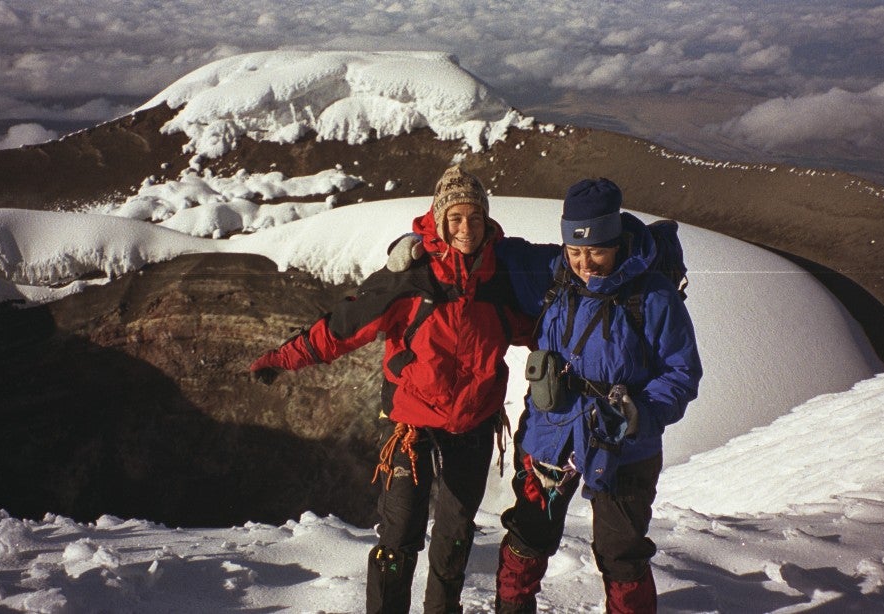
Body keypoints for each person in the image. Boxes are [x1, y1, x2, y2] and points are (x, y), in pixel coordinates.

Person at [249, 166, 534, 613]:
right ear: (439, 221)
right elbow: (343, 328)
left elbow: (543, 327)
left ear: (486, 220)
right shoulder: (411, 279)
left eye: (474, 217)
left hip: (474, 421)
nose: (465, 228)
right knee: (399, 533)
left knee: (455, 532)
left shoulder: (500, 280)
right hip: (411, 423)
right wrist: (282, 359)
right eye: (455, 217)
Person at [490, 178, 702, 613]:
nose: (584, 263)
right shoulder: (553, 273)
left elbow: (681, 372)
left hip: (624, 443)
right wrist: (422, 241)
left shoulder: (653, 296)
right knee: (529, 535)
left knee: (621, 552)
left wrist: (641, 412)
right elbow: (491, 250)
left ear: (618, 241)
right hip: (552, 433)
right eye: (575, 251)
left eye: (596, 251)